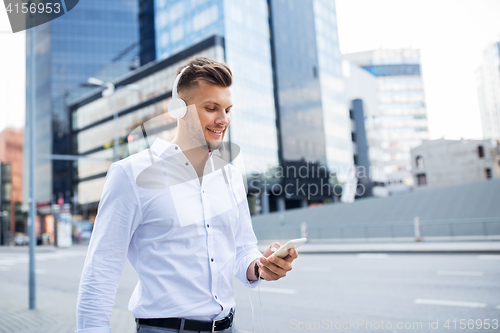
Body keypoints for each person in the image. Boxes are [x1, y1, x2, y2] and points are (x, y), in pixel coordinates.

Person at [75, 56, 298, 333]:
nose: (223, 119)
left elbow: (242, 250)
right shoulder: (130, 175)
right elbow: (100, 272)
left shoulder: (230, 177)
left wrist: (261, 267)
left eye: (228, 109)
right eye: (211, 108)